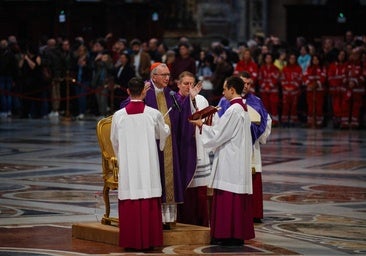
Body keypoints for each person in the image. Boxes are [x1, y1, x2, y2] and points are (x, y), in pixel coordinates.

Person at [120, 62, 198, 229]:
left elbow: (182, 115)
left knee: (168, 179)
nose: (167, 78)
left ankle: (167, 219)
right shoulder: (145, 93)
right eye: (163, 75)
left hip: (170, 147)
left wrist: (188, 99)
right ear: (153, 76)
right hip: (149, 148)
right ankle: (153, 217)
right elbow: (126, 108)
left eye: (168, 75)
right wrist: (139, 97)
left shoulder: (171, 95)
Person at [190, 76, 254, 246]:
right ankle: (235, 234)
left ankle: (227, 234)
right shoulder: (243, 108)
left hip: (231, 161)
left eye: (225, 88)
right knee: (234, 199)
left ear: (232, 90)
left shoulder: (234, 110)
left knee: (228, 198)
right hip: (237, 158)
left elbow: (219, 134)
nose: (223, 91)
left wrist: (201, 125)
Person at [110, 77, 170, 251]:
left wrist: (122, 158)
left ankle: (131, 241)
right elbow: (162, 134)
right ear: (144, 92)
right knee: (148, 196)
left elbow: (114, 141)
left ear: (128, 92)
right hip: (148, 165)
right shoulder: (154, 114)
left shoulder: (118, 115)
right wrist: (166, 128)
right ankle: (150, 240)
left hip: (129, 166)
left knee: (130, 197)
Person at [217, 71, 271, 223]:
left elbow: (266, 121)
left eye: (249, 84)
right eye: (244, 83)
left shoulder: (256, 101)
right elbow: (219, 121)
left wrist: (253, 134)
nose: (246, 86)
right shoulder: (224, 101)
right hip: (231, 147)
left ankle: (252, 212)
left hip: (251, 146)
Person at [175, 71, 211, 227]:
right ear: (178, 84)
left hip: (200, 146)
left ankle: (202, 222)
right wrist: (189, 100)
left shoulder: (201, 99)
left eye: (191, 84)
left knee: (201, 192)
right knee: (186, 189)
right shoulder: (174, 100)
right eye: (185, 84)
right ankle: (185, 222)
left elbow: (211, 120)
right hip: (183, 149)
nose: (189, 87)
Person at [303, 54, 326, 128]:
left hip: (319, 91)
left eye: (317, 60)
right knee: (310, 106)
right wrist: (309, 84)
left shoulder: (322, 68)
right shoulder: (309, 68)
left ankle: (319, 122)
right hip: (310, 90)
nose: (315, 61)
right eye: (314, 60)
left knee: (319, 106)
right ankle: (310, 121)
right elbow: (304, 77)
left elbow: (323, 77)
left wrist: (317, 84)